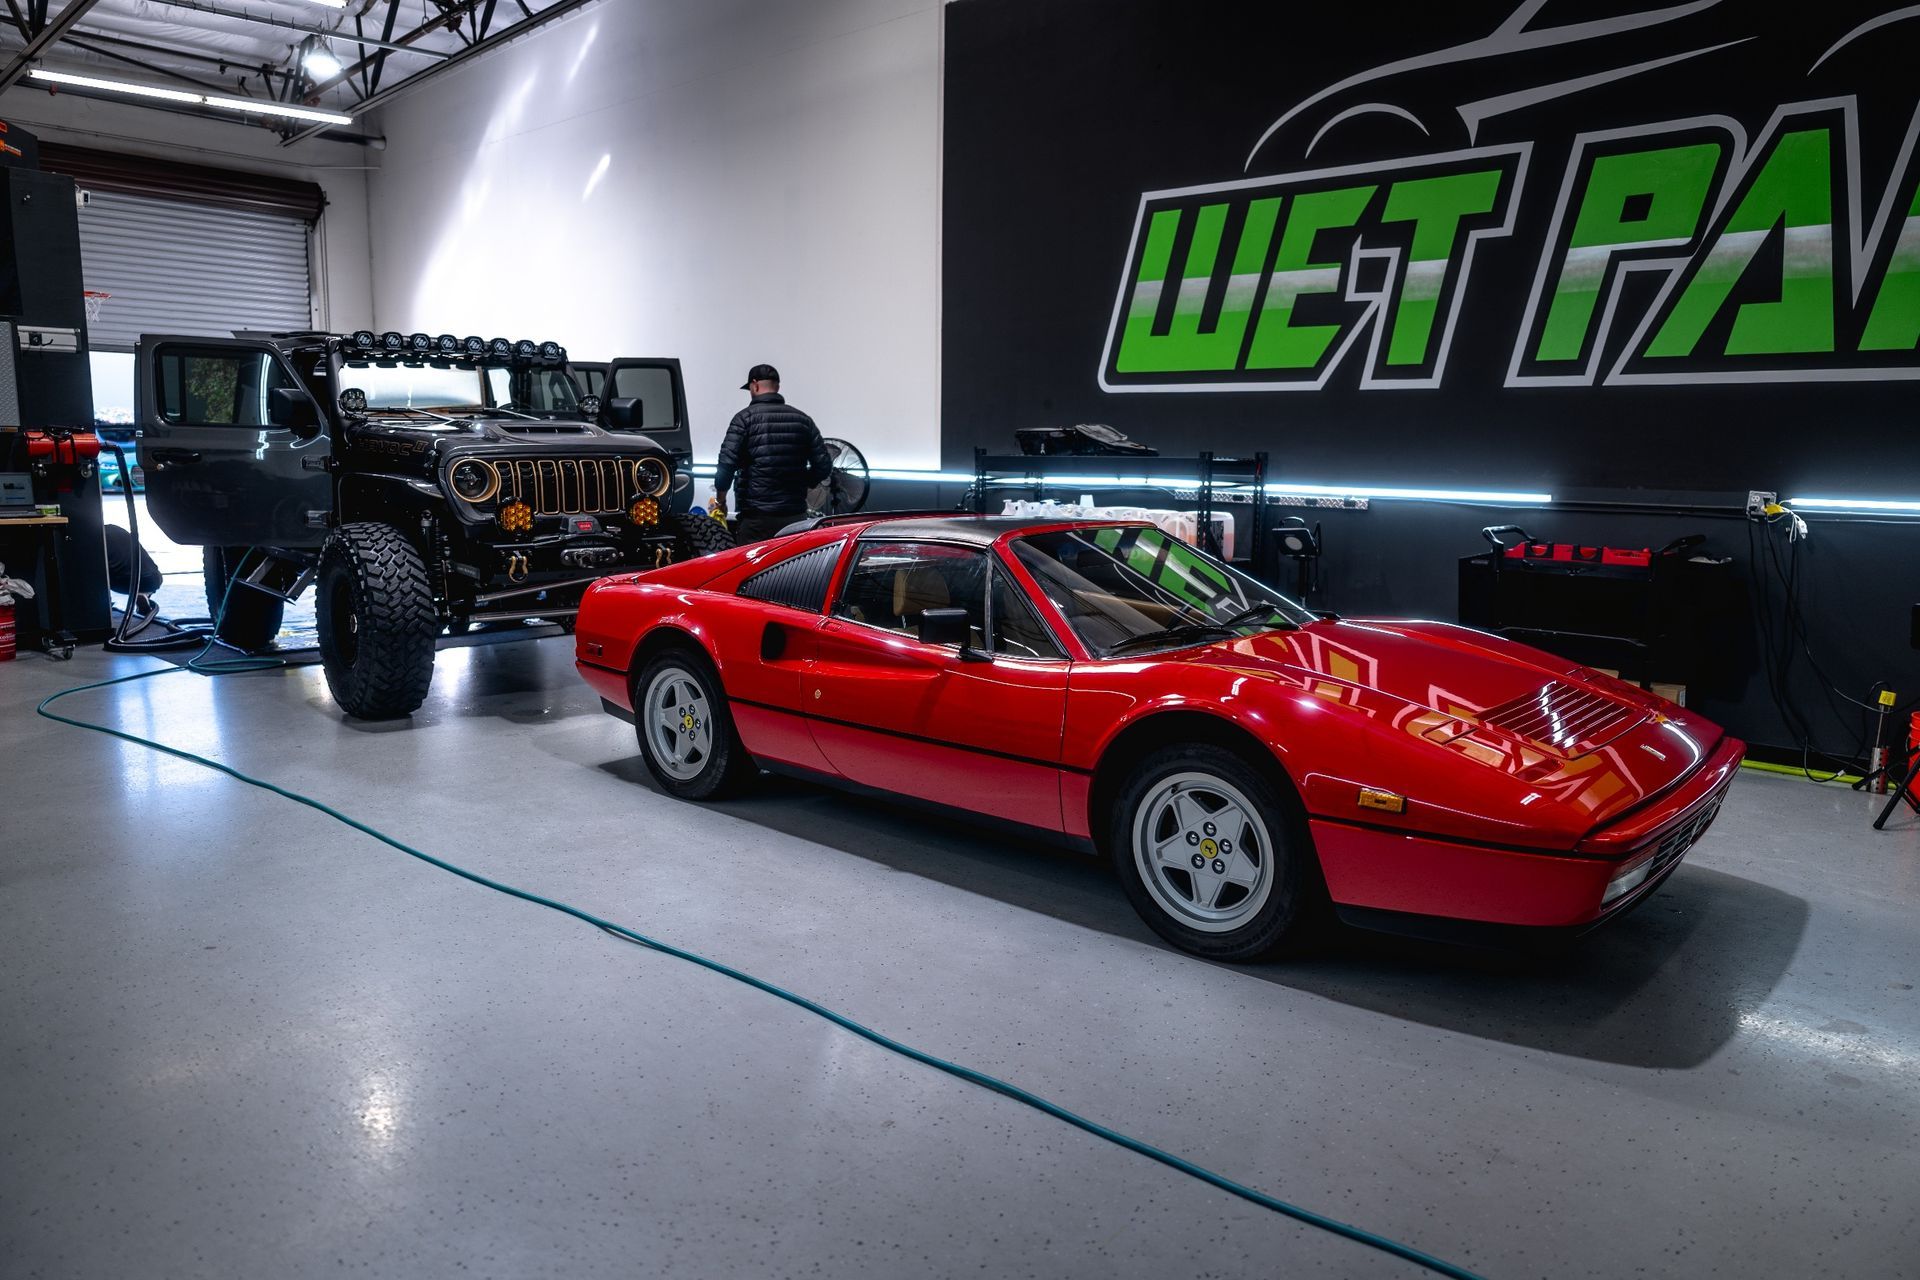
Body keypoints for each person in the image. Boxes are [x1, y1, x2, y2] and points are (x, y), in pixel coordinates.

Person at [712, 363, 831, 544]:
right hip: (795, 517)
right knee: (791, 569)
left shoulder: (743, 419)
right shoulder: (803, 420)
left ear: (754, 385)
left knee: (751, 569)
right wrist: (803, 481)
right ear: (777, 387)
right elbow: (824, 466)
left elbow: (726, 464)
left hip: (756, 519)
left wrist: (721, 500)